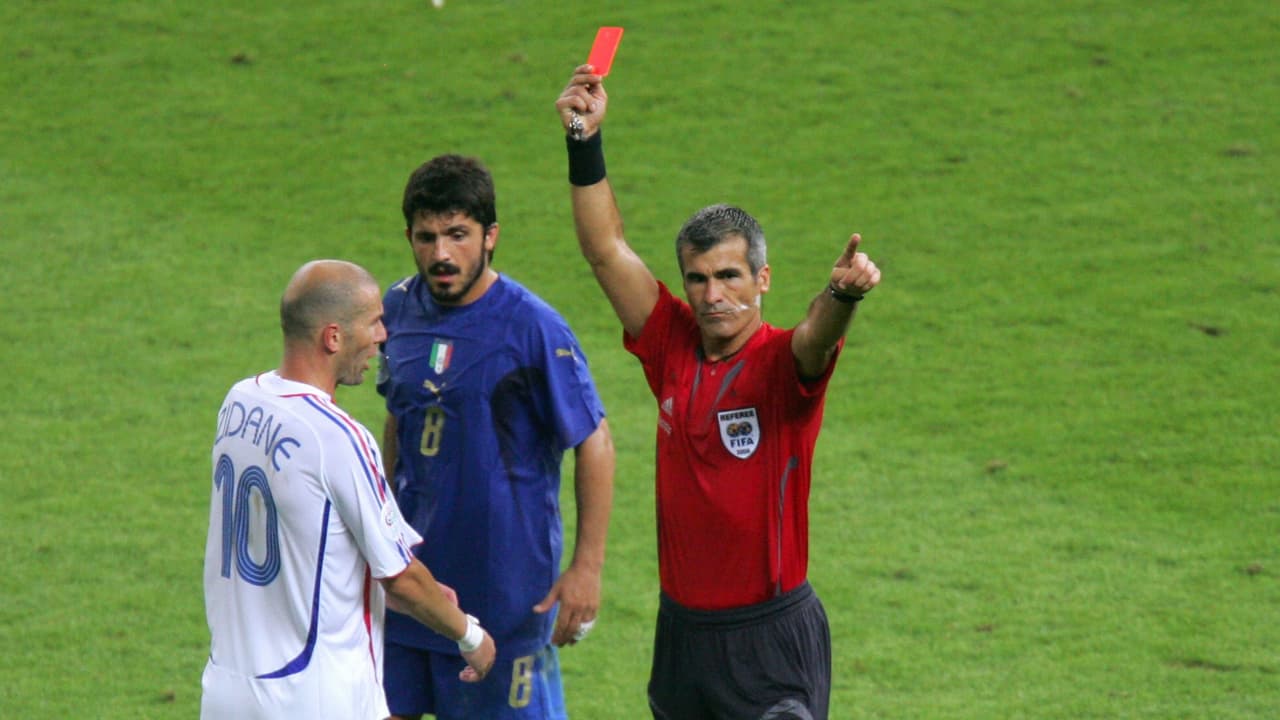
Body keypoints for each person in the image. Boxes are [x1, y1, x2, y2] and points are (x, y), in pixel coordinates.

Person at [555, 65, 882, 720]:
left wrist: (842, 296)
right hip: (683, 637)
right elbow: (605, 250)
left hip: (770, 639)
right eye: (698, 279)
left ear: (763, 279)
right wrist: (583, 139)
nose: (713, 295)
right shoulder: (670, 345)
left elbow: (816, 339)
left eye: (729, 276)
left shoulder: (780, 367)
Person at [201, 259, 496, 720]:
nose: (382, 335)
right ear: (333, 337)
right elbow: (399, 578)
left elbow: (313, 546)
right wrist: (469, 635)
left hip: (227, 689)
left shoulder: (239, 402)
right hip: (311, 695)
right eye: (373, 322)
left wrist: (420, 593)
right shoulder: (337, 437)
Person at [378, 154, 616, 720]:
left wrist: (586, 568)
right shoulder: (397, 309)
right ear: (409, 238)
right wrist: (378, 520)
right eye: (427, 237)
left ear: (491, 236)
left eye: (458, 235)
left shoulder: (533, 327)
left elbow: (595, 441)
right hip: (409, 589)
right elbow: (399, 417)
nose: (441, 254)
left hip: (503, 599)